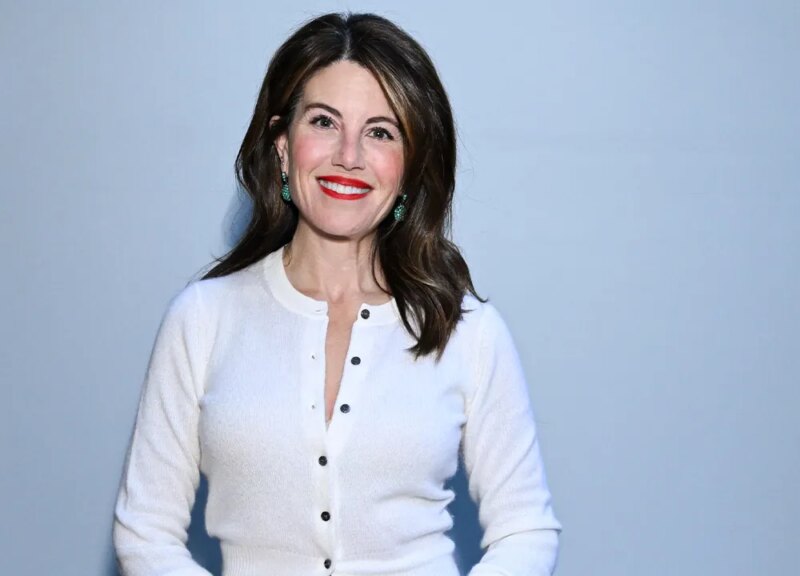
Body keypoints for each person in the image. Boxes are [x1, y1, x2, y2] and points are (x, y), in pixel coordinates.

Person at [114, 12, 561, 576]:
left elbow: (525, 529)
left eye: (380, 132)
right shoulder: (202, 318)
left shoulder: (467, 331)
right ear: (282, 144)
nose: (349, 155)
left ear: (409, 167)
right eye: (324, 122)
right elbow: (145, 533)